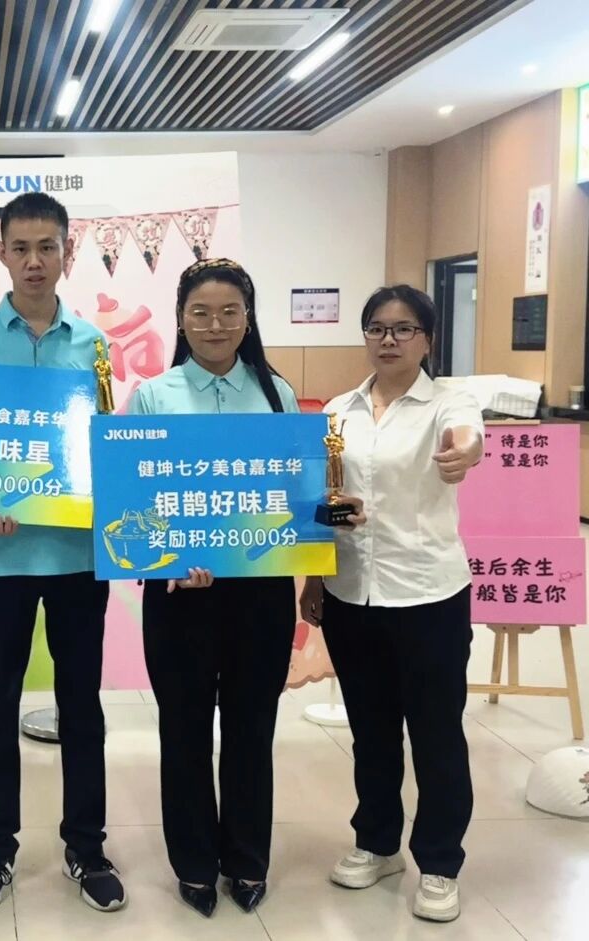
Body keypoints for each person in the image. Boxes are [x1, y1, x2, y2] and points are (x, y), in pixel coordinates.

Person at [128, 258, 363, 918]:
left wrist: (327, 531)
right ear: (181, 320)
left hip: (259, 592)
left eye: (230, 311)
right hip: (180, 593)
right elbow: (134, 497)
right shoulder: (153, 396)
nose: (216, 324)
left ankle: (247, 859)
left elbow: (299, 495)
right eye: (201, 312)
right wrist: (167, 559)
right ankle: (194, 863)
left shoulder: (277, 394)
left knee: (252, 728)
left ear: (248, 318)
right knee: (183, 730)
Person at [0, 192, 126, 915]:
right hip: (0, 559)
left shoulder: (94, 345)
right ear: (0, 253)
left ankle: (86, 845)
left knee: (81, 707)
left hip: (77, 554)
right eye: (20, 247)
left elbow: (108, 447)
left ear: (66, 253)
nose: (33, 261)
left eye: (46, 247)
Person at [301, 285, 483, 923]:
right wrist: (316, 576)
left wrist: (464, 454)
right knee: (372, 732)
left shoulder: (448, 403)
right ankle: (378, 844)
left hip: (428, 594)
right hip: (352, 593)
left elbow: (467, 438)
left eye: (404, 329)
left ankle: (439, 863)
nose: (389, 340)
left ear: (427, 339)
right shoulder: (339, 411)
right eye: (377, 328)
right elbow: (321, 499)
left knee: (436, 734)